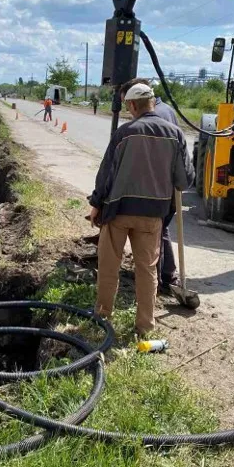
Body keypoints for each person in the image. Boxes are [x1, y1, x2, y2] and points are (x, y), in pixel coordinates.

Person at [89, 81, 194, 335]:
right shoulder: (175, 133)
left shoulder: (125, 133)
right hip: (153, 215)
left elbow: (106, 174)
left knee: (109, 265)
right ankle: (145, 326)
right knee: (147, 270)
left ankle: (103, 316)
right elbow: (184, 180)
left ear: (133, 105)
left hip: (119, 210)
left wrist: (95, 203)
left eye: (128, 107)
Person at [121, 80, 179, 292]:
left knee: (156, 232)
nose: (129, 112)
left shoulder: (152, 121)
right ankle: (167, 274)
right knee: (161, 229)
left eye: (127, 105)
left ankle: (164, 277)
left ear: (136, 103)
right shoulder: (167, 110)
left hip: (157, 190)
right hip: (167, 188)